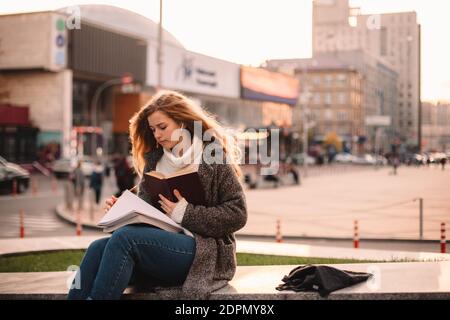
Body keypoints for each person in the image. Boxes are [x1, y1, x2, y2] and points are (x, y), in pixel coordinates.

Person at [67, 90, 247, 300]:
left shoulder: (213, 159)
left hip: (203, 252)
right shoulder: (155, 162)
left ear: (182, 122)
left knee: (126, 239)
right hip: (163, 245)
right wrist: (123, 210)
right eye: (153, 130)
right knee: (97, 247)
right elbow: (146, 210)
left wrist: (185, 212)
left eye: (162, 127)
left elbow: (238, 213)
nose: (157, 135)